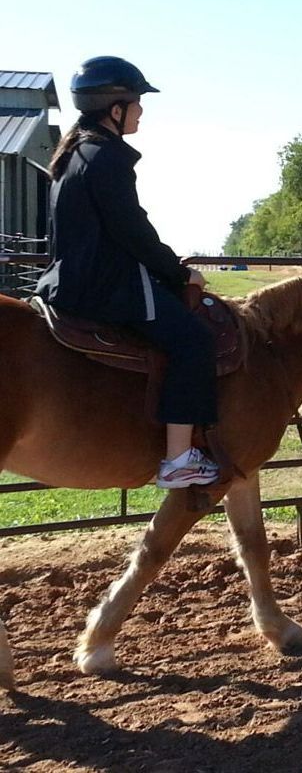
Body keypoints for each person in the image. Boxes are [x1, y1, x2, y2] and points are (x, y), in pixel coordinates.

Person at [36, 56, 218, 489]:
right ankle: (178, 459)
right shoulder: (105, 159)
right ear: (115, 109)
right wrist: (178, 274)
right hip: (108, 286)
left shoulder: (75, 154)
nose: (141, 111)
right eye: (136, 103)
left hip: (70, 280)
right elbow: (132, 231)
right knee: (194, 341)